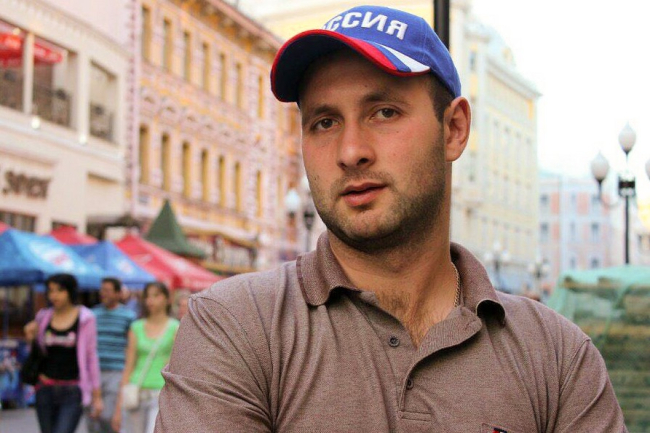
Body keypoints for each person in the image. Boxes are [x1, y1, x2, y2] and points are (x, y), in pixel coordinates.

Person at [156, 5, 626, 432]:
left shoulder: (556, 356)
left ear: (454, 129)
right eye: (324, 122)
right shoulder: (236, 325)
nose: (350, 151)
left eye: (384, 112)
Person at [23, 273, 103, 433]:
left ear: (70, 291)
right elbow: (36, 353)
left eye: (60, 290)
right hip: (45, 388)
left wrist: (97, 395)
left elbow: (91, 357)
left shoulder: (85, 318)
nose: (54, 295)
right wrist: (30, 338)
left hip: (72, 390)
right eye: (51, 290)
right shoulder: (43, 317)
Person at [113, 282, 179, 433]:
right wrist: (118, 407)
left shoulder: (175, 327)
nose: (150, 300)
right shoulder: (136, 327)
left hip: (160, 394)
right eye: (147, 296)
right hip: (135, 392)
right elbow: (129, 366)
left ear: (167, 298)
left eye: (156, 295)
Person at [87, 277, 137, 433]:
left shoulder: (128, 316)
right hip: (93, 371)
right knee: (92, 417)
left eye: (108, 290)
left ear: (117, 293)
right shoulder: (92, 314)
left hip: (116, 371)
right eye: (102, 290)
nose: (103, 293)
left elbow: (131, 345)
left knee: (108, 415)